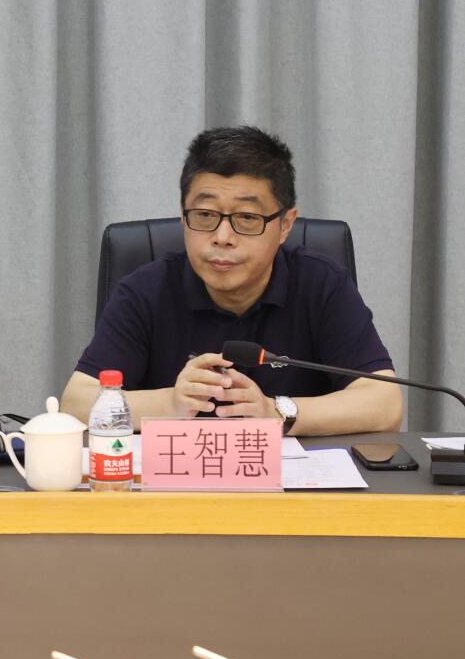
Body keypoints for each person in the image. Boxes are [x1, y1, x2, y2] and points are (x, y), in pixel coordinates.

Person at [59, 126, 402, 436]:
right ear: (183, 218)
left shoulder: (321, 284)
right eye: (205, 215)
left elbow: (384, 402)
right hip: (174, 481)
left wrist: (275, 411)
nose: (222, 237)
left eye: (247, 218)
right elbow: (76, 403)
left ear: (285, 225)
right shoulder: (145, 291)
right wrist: (171, 403)